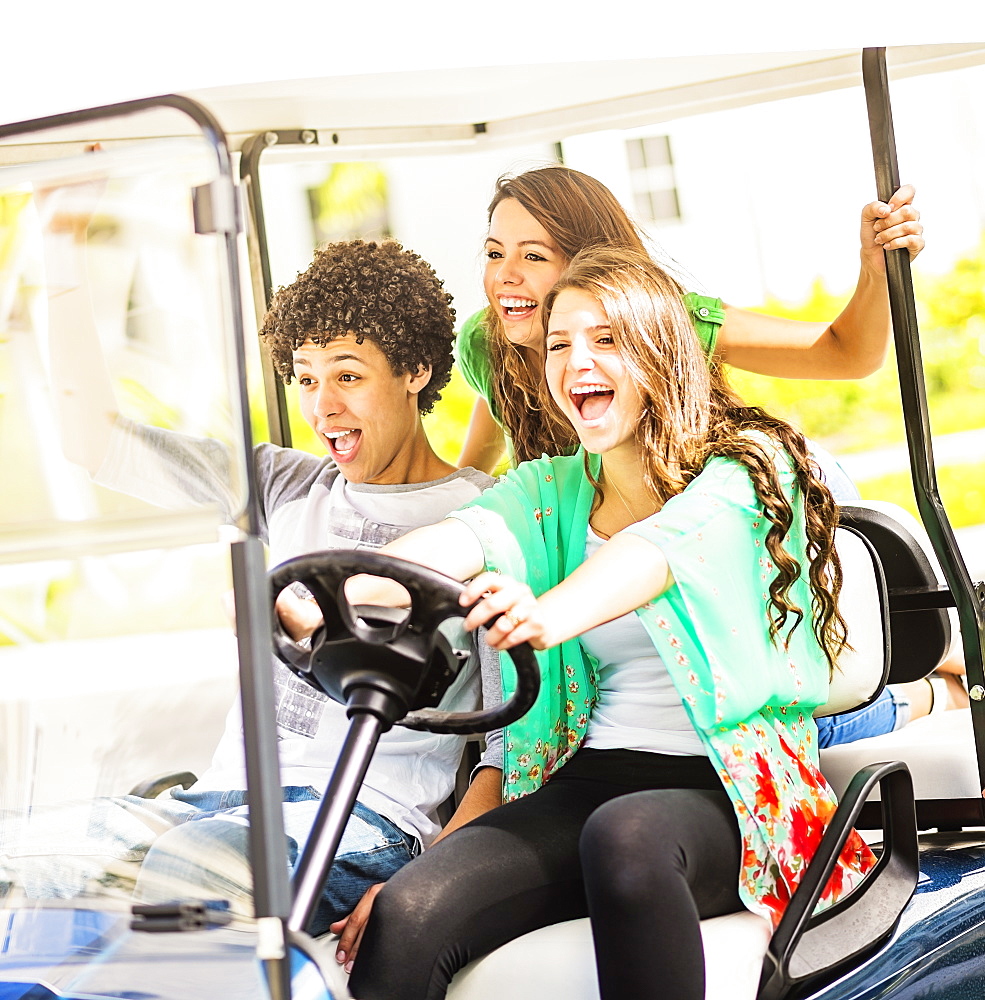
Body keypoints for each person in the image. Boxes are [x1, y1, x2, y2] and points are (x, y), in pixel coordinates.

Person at [322, 246, 876, 1000]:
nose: (575, 359)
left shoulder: (747, 467)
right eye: (559, 344)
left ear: (658, 351)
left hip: (733, 787)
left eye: (606, 339)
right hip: (587, 779)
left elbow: (656, 555)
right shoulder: (550, 489)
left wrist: (545, 614)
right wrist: (337, 588)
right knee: (408, 910)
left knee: (625, 841)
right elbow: (457, 541)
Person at [0, 236, 494, 934]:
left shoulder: (485, 519)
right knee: (15, 859)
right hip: (218, 802)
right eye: (306, 377)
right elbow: (93, 442)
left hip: (365, 815)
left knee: (197, 866)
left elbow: (507, 752)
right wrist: (61, 247)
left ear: (414, 370)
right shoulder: (282, 483)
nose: (321, 405)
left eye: (347, 376)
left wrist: (436, 884)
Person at [455, 165, 924, 473]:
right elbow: (495, 432)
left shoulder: (662, 322)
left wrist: (874, 271)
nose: (504, 277)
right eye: (495, 253)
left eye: (533, 257)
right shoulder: (486, 341)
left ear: (589, 262)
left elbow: (846, 353)